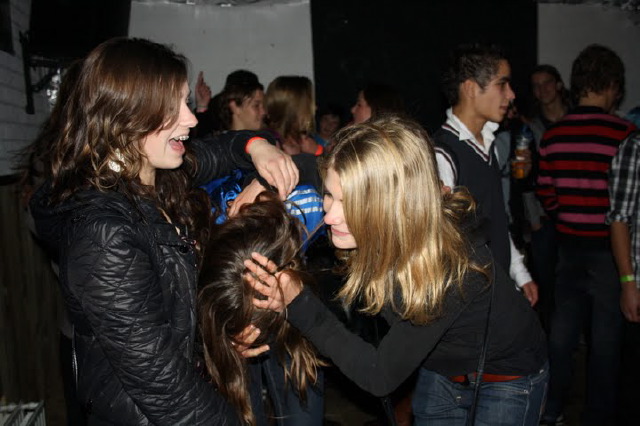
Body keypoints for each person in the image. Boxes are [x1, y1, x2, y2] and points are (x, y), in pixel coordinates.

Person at [28, 37, 297, 425]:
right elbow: (164, 387)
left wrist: (258, 146)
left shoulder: (161, 176)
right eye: (172, 109)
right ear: (125, 115)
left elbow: (227, 148)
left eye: (186, 102)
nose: (190, 119)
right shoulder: (103, 233)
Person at [245, 116, 548, 426]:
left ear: (395, 205)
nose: (330, 216)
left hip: (505, 378)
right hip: (442, 367)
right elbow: (311, 167)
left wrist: (299, 302)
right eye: (331, 196)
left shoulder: (447, 268)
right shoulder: (384, 206)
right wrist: (267, 177)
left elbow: (379, 374)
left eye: (349, 203)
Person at [536, 44, 636, 426]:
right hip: (611, 253)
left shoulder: (554, 136)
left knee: (561, 337)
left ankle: (551, 410)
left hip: (568, 246)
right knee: (606, 344)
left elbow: (546, 193)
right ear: (610, 85)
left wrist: (567, 215)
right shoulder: (625, 133)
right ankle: (598, 416)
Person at [198, 192, 324, 426]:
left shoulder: (313, 213)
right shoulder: (203, 249)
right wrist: (226, 345)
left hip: (293, 320)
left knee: (302, 407)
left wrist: (300, 300)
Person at [434, 43, 538, 307]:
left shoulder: (488, 143)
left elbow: (496, 219)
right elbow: (443, 243)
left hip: (496, 290)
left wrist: (519, 273)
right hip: (470, 301)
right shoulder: (443, 154)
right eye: (502, 84)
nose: (511, 94)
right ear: (470, 88)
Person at [264, 76, 322, 156]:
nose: (315, 108)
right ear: (294, 109)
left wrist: (318, 151)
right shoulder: (269, 142)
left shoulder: (305, 140)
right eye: (308, 104)